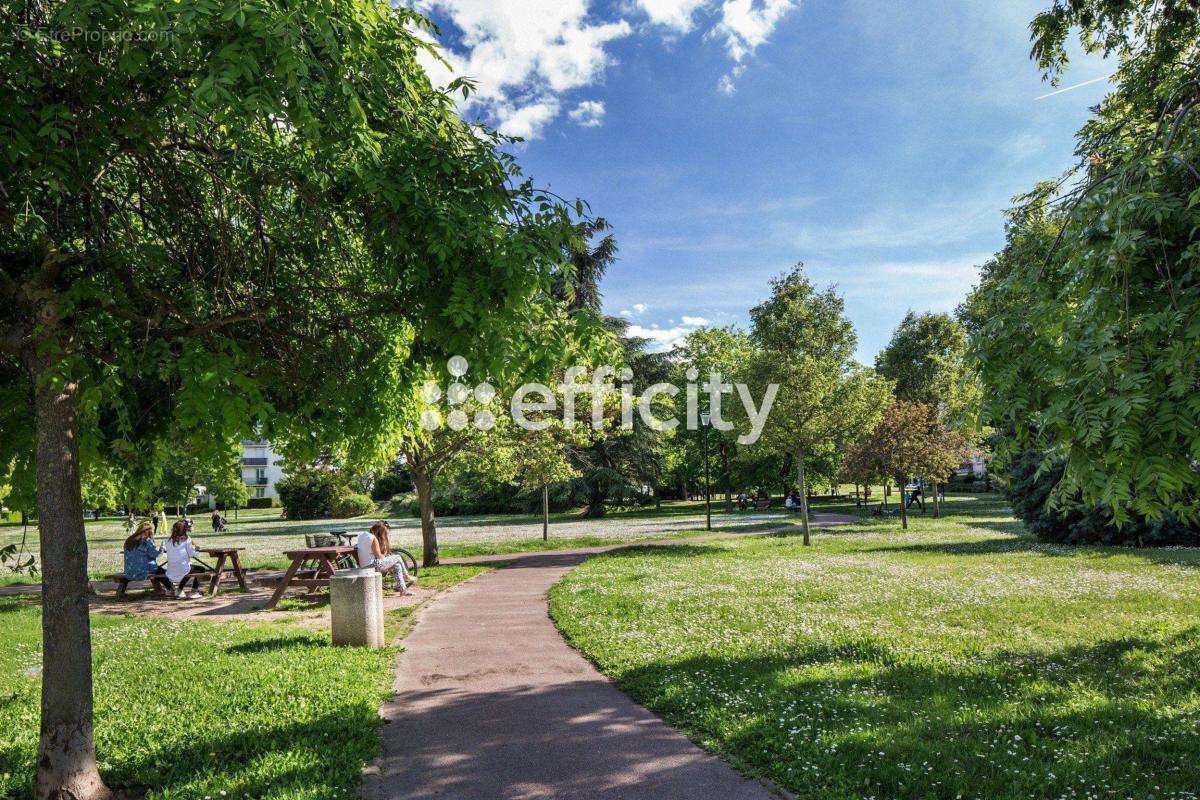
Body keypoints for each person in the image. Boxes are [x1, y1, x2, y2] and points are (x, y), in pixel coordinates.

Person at [356, 520, 415, 595]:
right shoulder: (373, 539)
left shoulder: (363, 535)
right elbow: (379, 556)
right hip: (372, 565)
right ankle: (406, 575)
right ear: (380, 532)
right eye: (385, 533)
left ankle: (403, 590)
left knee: (397, 566)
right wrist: (385, 556)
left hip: (364, 565)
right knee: (397, 557)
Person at [164, 519, 207, 599]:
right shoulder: (187, 540)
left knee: (189, 569)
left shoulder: (167, 541)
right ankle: (193, 591)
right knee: (201, 569)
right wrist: (197, 550)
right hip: (183, 569)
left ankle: (178, 590)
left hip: (170, 570)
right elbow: (191, 554)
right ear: (184, 529)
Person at [123, 522, 168, 593]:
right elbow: (156, 555)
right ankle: (172, 589)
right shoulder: (146, 541)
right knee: (160, 571)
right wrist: (162, 548)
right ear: (149, 532)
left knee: (155, 568)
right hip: (141, 572)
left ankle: (159, 589)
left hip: (129, 571)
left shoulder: (129, 540)